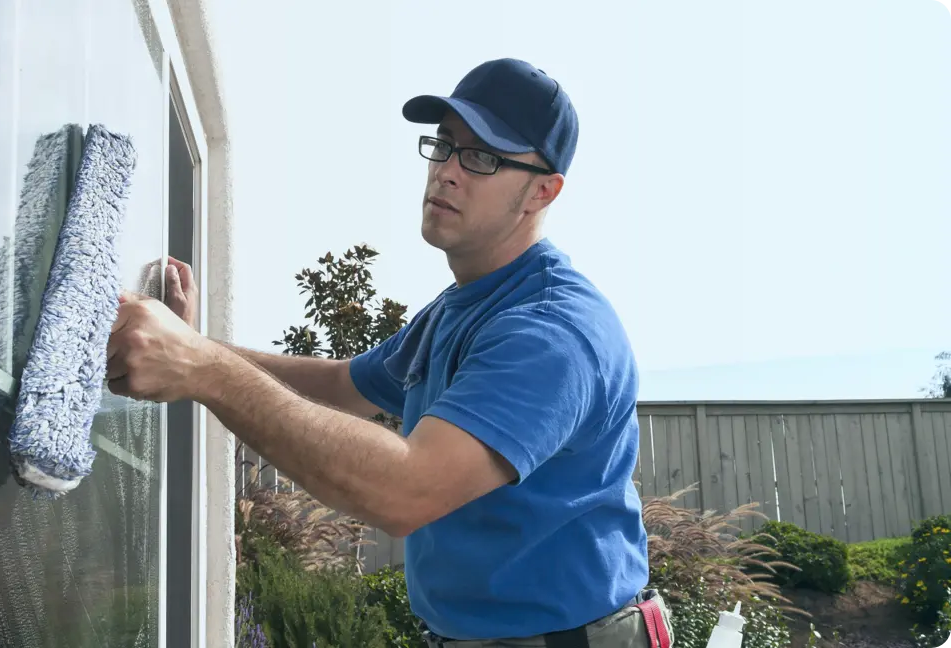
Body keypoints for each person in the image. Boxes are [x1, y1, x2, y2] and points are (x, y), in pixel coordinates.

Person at [106, 58, 674, 647]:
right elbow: (338, 386)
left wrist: (202, 368)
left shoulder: (550, 331)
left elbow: (408, 491)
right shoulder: (462, 306)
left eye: (482, 158)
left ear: (542, 190)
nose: (448, 172)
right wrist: (194, 346)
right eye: (445, 146)